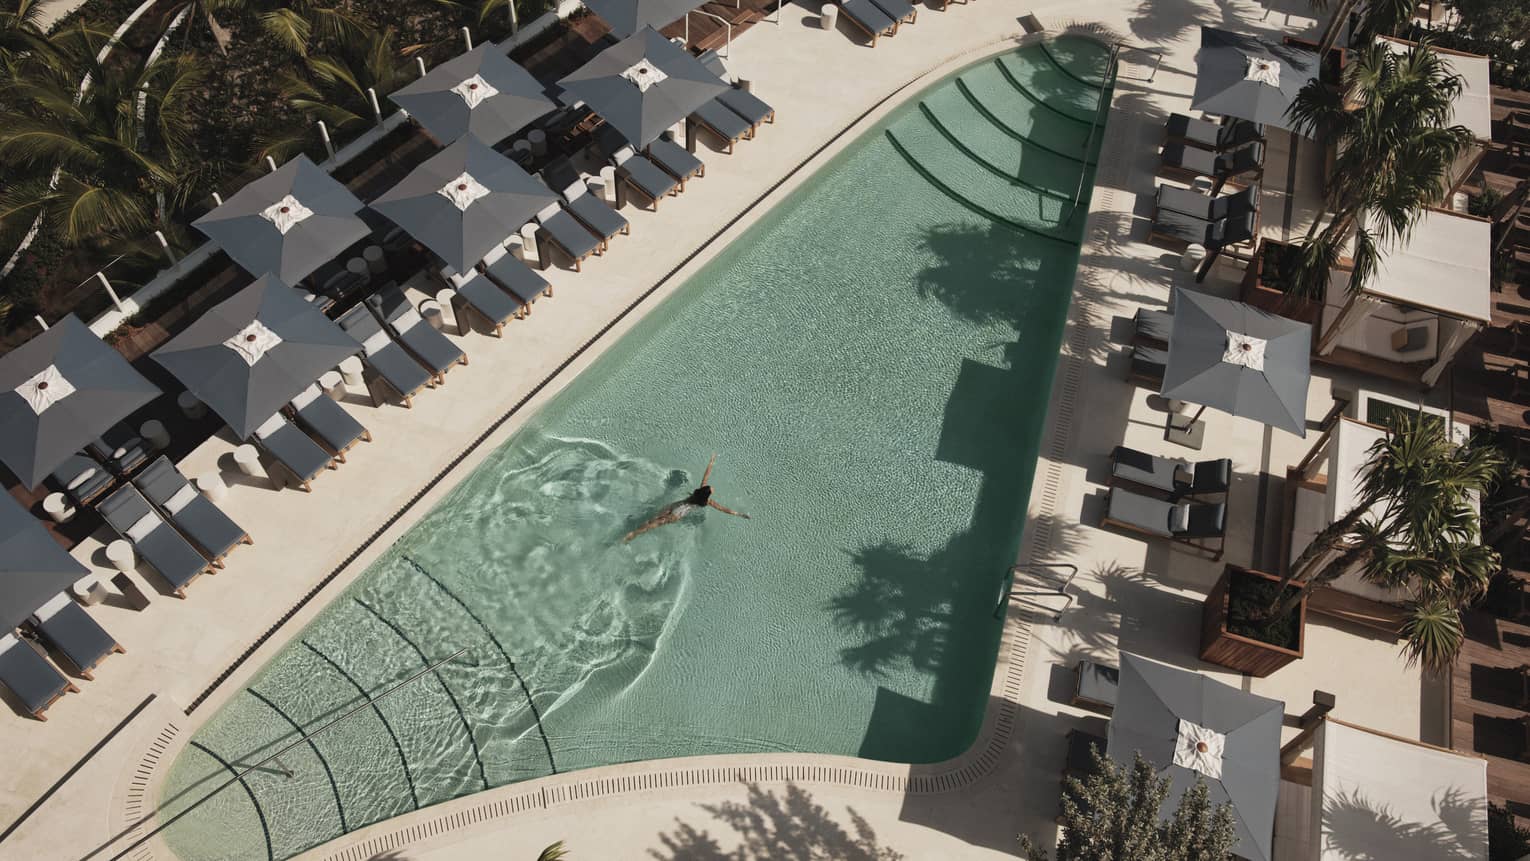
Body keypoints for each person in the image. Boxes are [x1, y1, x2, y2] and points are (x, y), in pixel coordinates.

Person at [624, 454, 749, 542]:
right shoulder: (707, 501)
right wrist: (739, 514)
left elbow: (706, 475)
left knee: (654, 518)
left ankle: (634, 531)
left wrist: (711, 461)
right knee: (658, 523)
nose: (712, 489)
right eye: (711, 490)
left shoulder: (698, 491)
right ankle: (634, 534)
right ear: (707, 495)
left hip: (676, 505)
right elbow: (724, 509)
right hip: (679, 512)